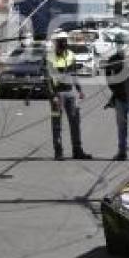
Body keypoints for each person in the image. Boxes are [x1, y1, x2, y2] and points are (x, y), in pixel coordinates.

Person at [47, 30, 92, 161]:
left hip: (70, 94)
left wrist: (79, 90)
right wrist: (53, 95)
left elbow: (74, 74)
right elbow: (48, 79)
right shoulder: (50, 57)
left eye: (64, 41)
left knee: (75, 122)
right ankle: (58, 152)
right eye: (60, 41)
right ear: (55, 43)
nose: (62, 43)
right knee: (57, 124)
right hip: (57, 95)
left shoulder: (71, 55)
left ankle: (77, 151)